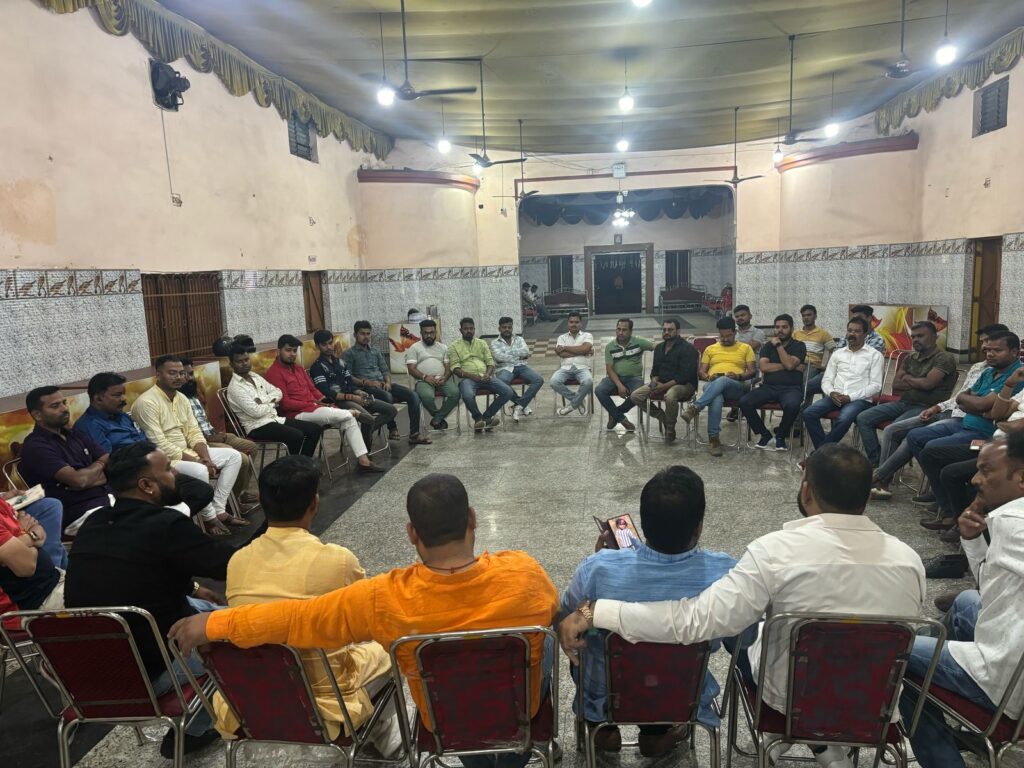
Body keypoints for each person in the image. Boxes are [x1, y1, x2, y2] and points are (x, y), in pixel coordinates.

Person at [559, 444, 926, 768]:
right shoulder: (910, 560)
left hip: (789, 703)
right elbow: (738, 636)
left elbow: (691, 621)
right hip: (872, 705)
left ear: (806, 490)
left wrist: (595, 608)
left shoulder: (774, 553)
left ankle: (596, 722)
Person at [168, 474, 559, 768]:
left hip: (442, 720)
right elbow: (556, 609)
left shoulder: (382, 598)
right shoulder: (524, 572)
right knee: (543, 641)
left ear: (411, 533)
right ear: (472, 518)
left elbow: (296, 618)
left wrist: (215, 624)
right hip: (517, 710)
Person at [211, 455, 401, 754]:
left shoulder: (238, 561)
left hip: (254, 694)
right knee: (390, 647)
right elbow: (368, 617)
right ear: (314, 503)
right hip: (325, 696)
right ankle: (385, 738)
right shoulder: (337, 560)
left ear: (262, 501)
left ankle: (377, 730)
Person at [64, 441, 234, 758]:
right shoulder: (166, 525)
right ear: (147, 485)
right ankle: (193, 730)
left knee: (208, 607)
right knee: (235, 630)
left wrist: (193, 588)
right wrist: (281, 527)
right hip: (144, 676)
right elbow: (231, 564)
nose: (175, 474)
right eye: (168, 469)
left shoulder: (94, 523)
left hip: (87, 676)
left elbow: (137, 570)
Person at [558, 466, 739, 756]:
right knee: (667, 664)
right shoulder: (726, 574)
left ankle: (599, 726)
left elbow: (567, 616)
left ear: (642, 523)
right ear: (698, 525)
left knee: (586, 643)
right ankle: (658, 733)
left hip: (608, 694)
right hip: (682, 693)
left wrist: (601, 565)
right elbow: (741, 636)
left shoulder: (598, 567)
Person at [899, 435, 1024, 768]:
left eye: (987, 470)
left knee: (895, 650)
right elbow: (993, 586)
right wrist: (973, 541)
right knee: (967, 600)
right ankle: (951, 700)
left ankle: (944, 753)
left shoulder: (1012, 521)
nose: (975, 479)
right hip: (1010, 644)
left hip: (1007, 677)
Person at [871, 324, 1008, 501]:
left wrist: (966, 402)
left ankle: (881, 478)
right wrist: (938, 407)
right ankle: (886, 480)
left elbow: (977, 403)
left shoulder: (1009, 374)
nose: (985, 348)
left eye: (991, 344)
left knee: (911, 438)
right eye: (984, 343)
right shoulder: (979, 368)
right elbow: (960, 397)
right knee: (898, 431)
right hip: (948, 411)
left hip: (963, 419)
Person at [908, 332, 1024, 531]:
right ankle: (945, 502)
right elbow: (967, 399)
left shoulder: (1017, 375)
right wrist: (985, 406)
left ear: (1014, 352)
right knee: (915, 436)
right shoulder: (995, 374)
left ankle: (953, 515)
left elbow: (992, 413)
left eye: (997, 350)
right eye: (988, 350)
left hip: (989, 439)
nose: (989, 354)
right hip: (971, 427)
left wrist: (988, 412)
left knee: (937, 455)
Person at [73, 371, 216, 520]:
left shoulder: (122, 416)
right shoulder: (89, 426)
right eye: (117, 395)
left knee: (202, 491)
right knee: (180, 497)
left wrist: (164, 466)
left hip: (152, 469)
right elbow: (111, 462)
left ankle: (165, 521)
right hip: (132, 480)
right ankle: (164, 522)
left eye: (124, 394)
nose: (124, 399)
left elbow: (145, 442)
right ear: (98, 398)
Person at [132, 356, 247, 533]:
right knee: (200, 470)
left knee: (234, 456)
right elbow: (158, 443)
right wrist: (197, 461)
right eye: (172, 373)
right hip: (165, 459)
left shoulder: (182, 398)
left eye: (181, 373)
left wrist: (206, 457)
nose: (178, 377)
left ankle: (219, 509)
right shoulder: (146, 402)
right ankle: (209, 519)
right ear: (158, 374)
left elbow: (194, 432)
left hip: (188, 451)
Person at [264, 335, 384, 473]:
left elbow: (313, 390)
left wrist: (324, 401)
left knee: (349, 420)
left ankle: (364, 462)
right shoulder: (274, 373)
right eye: (288, 350)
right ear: (278, 351)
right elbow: (285, 404)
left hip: (314, 408)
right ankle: (350, 412)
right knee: (344, 415)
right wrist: (313, 404)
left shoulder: (298, 368)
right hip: (296, 414)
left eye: (294, 350)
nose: (292, 354)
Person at [855, 322, 957, 467]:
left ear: (935, 337)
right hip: (904, 402)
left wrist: (908, 378)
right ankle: (877, 462)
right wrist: (919, 381)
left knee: (893, 429)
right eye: (913, 337)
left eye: (920, 336)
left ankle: (884, 472)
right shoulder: (910, 357)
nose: (916, 340)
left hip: (927, 407)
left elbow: (928, 384)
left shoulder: (944, 358)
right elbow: (896, 384)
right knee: (863, 417)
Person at [19, 387, 111, 531]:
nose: (64, 409)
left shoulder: (74, 434)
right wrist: (98, 469)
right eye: (55, 406)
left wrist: (94, 470)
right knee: (132, 525)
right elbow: (78, 481)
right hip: (77, 512)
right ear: (37, 415)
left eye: (64, 402)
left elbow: (106, 458)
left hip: (106, 497)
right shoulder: (36, 446)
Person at [179, 360, 259, 510]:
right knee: (239, 457)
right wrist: (210, 437)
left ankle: (239, 493)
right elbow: (189, 433)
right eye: (183, 374)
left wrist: (216, 434)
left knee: (251, 447)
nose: (189, 378)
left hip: (212, 434)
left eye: (190, 373)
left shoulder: (193, 393)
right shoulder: (177, 400)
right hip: (200, 442)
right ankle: (228, 503)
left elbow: (204, 422)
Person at [226, 345, 323, 458]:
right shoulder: (235, 388)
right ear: (231, 364)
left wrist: (263, 401)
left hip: (275, 419)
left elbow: (278, 392)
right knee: (296, 436)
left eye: (246, 359)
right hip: (257, 427)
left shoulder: (255, 376)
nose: (244, 363)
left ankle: (303, 463)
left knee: (314, 429)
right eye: (239, 361)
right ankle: (293, 467)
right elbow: (256, 412)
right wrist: (273, 403)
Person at [343, 321, 431, 446]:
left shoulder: (375, 351)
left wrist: (388, 382)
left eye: (368, 334)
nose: (366, 336)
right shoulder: (349, 354)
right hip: (365, 389)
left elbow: (385, 370)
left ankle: (414, 434)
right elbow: (348, 377)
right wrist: (366, 382)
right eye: (362, 334)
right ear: (355, 335)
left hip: (383, 385)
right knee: (387, 396)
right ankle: (392, 428)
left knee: (413, 395)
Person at [802, 317, 883, 449]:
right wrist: (831, 392)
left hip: (859, 400)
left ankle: (822, 452)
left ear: (865, 334)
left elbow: (876, 385)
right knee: (808, 413)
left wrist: (850, 397)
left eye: (857, 331)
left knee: (844, 419)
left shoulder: (874, 355)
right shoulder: (838, 354)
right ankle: (825, 451)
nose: (852, 334)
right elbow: (827, 379)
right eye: (849, 330)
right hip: (835, 397)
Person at [680, 317, 756, 457]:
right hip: (713, 385)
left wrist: (738, 376)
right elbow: (701, 372)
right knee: (717, 397)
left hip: (736, 386)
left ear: (735, 332)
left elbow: (752, 372)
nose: (725, 339)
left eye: (729, 336)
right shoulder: (710, 349)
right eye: (722, 336)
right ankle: (714, 439)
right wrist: (709, 377)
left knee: (723, 380)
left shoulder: (746, 348)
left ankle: (696, 407)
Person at [309, 329, 398, 448]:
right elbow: (327, 393)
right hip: (337, 402)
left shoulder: (340, 362)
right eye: (324, 344)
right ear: (317, 346)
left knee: (391, 410)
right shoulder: (317, 367)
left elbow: (350, 384)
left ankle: (364, 434)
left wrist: (359, 392)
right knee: (368, 419)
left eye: (330, 343)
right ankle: (365, 450)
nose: (329, 347)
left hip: (352, 396)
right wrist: (353, 397)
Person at [740, 314, 808, 451]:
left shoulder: (799, 346)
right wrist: (790, 365)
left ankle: (780, 436)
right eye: (777, 327)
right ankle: (765, 435)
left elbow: (789, 365)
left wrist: (778, 345)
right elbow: (764, 367)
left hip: (791, 388)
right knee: (744, 402)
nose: (780, 330)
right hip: (768, 387)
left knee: (793, 405)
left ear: (792, 329)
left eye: (784, 327)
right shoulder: (767, 346)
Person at [630, 319, 699, 443]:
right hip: (661, 382)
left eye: (670, 330)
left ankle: (670, 428)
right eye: (664, 329)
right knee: (635, 396)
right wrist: (654, 383)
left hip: (684, 385)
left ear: (678, 331)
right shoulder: (659, 348)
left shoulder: (688, 349)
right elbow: (655, 371)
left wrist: (663, 387)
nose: (666, 332)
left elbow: (684, 376)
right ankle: (663, 418)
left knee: (670, 396)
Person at [0, 494, 65, 614]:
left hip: (53, 580)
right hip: (37, 601)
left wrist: (25, 537)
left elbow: (39, 530)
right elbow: (27, 567)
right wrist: (28, 534)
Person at [449, 317, 516, 432]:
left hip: (485, 377)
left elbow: (490, 362)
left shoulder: (482, 343)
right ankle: (478, 418)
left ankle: (486, 417)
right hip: (467, 379)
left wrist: (487, 374)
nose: (469, 331)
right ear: (461, 330)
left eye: (471, 328)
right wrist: (471, 376)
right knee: (467, 395)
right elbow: (455, 368)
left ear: (474, 329)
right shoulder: (454, 346)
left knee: (508, 391)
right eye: (466, 329)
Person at [806, 304, 886, 400]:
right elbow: (837, 355)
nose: (856, 321)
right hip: (838, 373)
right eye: (854, 318)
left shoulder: (877, 339)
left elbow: (863, 362)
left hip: (857, 380)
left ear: (869, 318)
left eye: (859, 317)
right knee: (807, 386)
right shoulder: (847, 336)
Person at [596, 318, 655, 433]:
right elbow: (609, 370)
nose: (620, 332)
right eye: (618, 329)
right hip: (614, 377)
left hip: (634, 378)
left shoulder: (639, 342)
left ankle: (615, 414)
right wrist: (619, 385)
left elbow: (658, 348)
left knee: (638, 394)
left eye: (624, 330)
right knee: (599, 390)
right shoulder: (610, 346)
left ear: (631, 331)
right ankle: (622, 419)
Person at [405, 319, 460, 431]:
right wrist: (425, 377)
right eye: (426, 333)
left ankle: (437, 419)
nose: (429, 335)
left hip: (442, 379)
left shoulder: (443, 347)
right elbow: (411, 369)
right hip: (423, 380)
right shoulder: (414, 348)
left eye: (431, 332)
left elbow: (448, 366)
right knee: (427, 397)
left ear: (436, 332)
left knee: (455, 393)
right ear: (421, 333)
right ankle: (439, 418)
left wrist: (445, 377)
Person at [490, 317, 544, 422]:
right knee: (502, 382)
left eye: (509, 327)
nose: (507, 329)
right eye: (504, 327)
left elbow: (526, 352)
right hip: (504, 367)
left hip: (521, 366)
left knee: (538, 380)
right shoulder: (494, 342)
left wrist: (508, 354)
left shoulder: (519, 339)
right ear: (499, 328)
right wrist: (519, 356)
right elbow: (498, 357)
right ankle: (522, 405)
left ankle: (519, 405)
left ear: (512, 328)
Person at [550, 311, 594, 416]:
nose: (573, 324)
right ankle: (578, 401)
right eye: (571, 322)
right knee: (554, 382)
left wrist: (565, 347)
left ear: (581, 323)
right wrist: (582, 351)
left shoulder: (587, 335)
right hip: (565, 368)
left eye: (576, 322)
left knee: (588, 381)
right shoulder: (562, 337)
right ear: (568, 323)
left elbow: (585, 349)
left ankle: (571, 406)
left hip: (583, 368)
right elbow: (562, 354)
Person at [792, 304, 835, 377]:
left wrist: (824, 366)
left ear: (815, 316)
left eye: (809, 315)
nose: (806, 318)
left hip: (812, 365)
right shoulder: (795, 333)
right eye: (803, 315)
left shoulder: (823, 334)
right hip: (796, 364)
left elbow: (833, 350)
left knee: (803, 381)